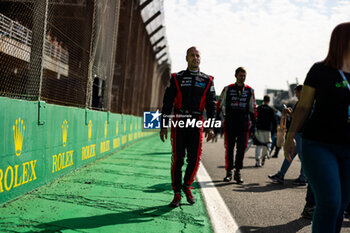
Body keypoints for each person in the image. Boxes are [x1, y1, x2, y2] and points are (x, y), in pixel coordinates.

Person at [284, 22, 350, 233]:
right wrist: (289, 136)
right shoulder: (320, 70)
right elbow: (303, 106)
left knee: (340, 207)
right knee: (330, 201)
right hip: (319, 143)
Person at [160, 46, 216, 207]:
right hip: (179, 120)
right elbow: (167, 102)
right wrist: (163, 124)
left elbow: (211, 105)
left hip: (197, 121)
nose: (195, 58)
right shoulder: (176, 77)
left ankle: (187, 185)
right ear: (186, 58)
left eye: (197, 55)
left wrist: (211, 126)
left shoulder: (208, 80)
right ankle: (177, 193)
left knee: (194, 159)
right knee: (178, 160)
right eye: (192, 55)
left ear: (201, 58)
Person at [217, 67, 257, 183]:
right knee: (229, 148)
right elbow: (219, 104)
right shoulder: (227, 89)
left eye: (244, 75)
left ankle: (238, 172)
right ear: (235, 75)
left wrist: (254, 123)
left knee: (241, 149)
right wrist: (215, 121)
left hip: (243, 125)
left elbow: (253, 108)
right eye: (240, 75)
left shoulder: (250, 90)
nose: (242, 77)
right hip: (230, 123)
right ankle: (229, 172)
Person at [268, 85, 307, 185]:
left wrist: (289, 113)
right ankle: (303, 177)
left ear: (301, 92)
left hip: (300, 132)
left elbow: (299, 118)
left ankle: (281, 175)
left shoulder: (303, 102)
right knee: (303, 157)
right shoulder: (305, 102)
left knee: (290, 153)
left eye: (297, 93)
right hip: (302, 133)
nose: (296, 95)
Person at [254, 95, 276, 167]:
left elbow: (255, 118)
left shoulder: (259, 108)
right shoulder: (271, 109)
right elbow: (274, 121)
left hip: (259, 129)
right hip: (267, 130)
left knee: (258, 145)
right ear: (269, 101)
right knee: (266, 146)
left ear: (263, 100)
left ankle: (257, 161)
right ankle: (263, 158)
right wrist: (274, 130)